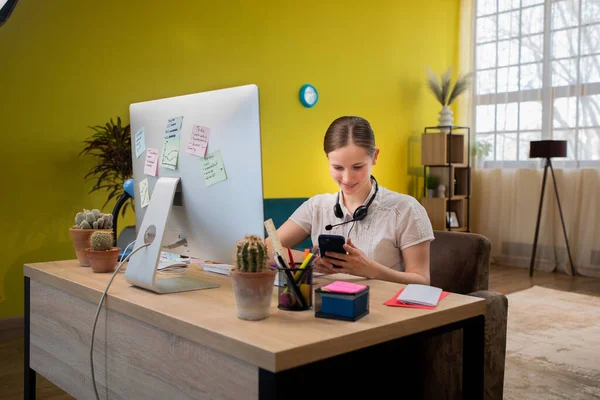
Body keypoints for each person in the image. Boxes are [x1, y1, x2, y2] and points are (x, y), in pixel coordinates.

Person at [265, 116, 434, 285]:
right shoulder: (316, 207)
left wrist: (370, 269)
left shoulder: (406, 209)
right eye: (338, 167)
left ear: (375, 156)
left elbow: (422, 281)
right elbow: (264, 251)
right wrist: (310, 260)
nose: (347, 178)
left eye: (357, 167)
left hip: (384, 308)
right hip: (326, 304)